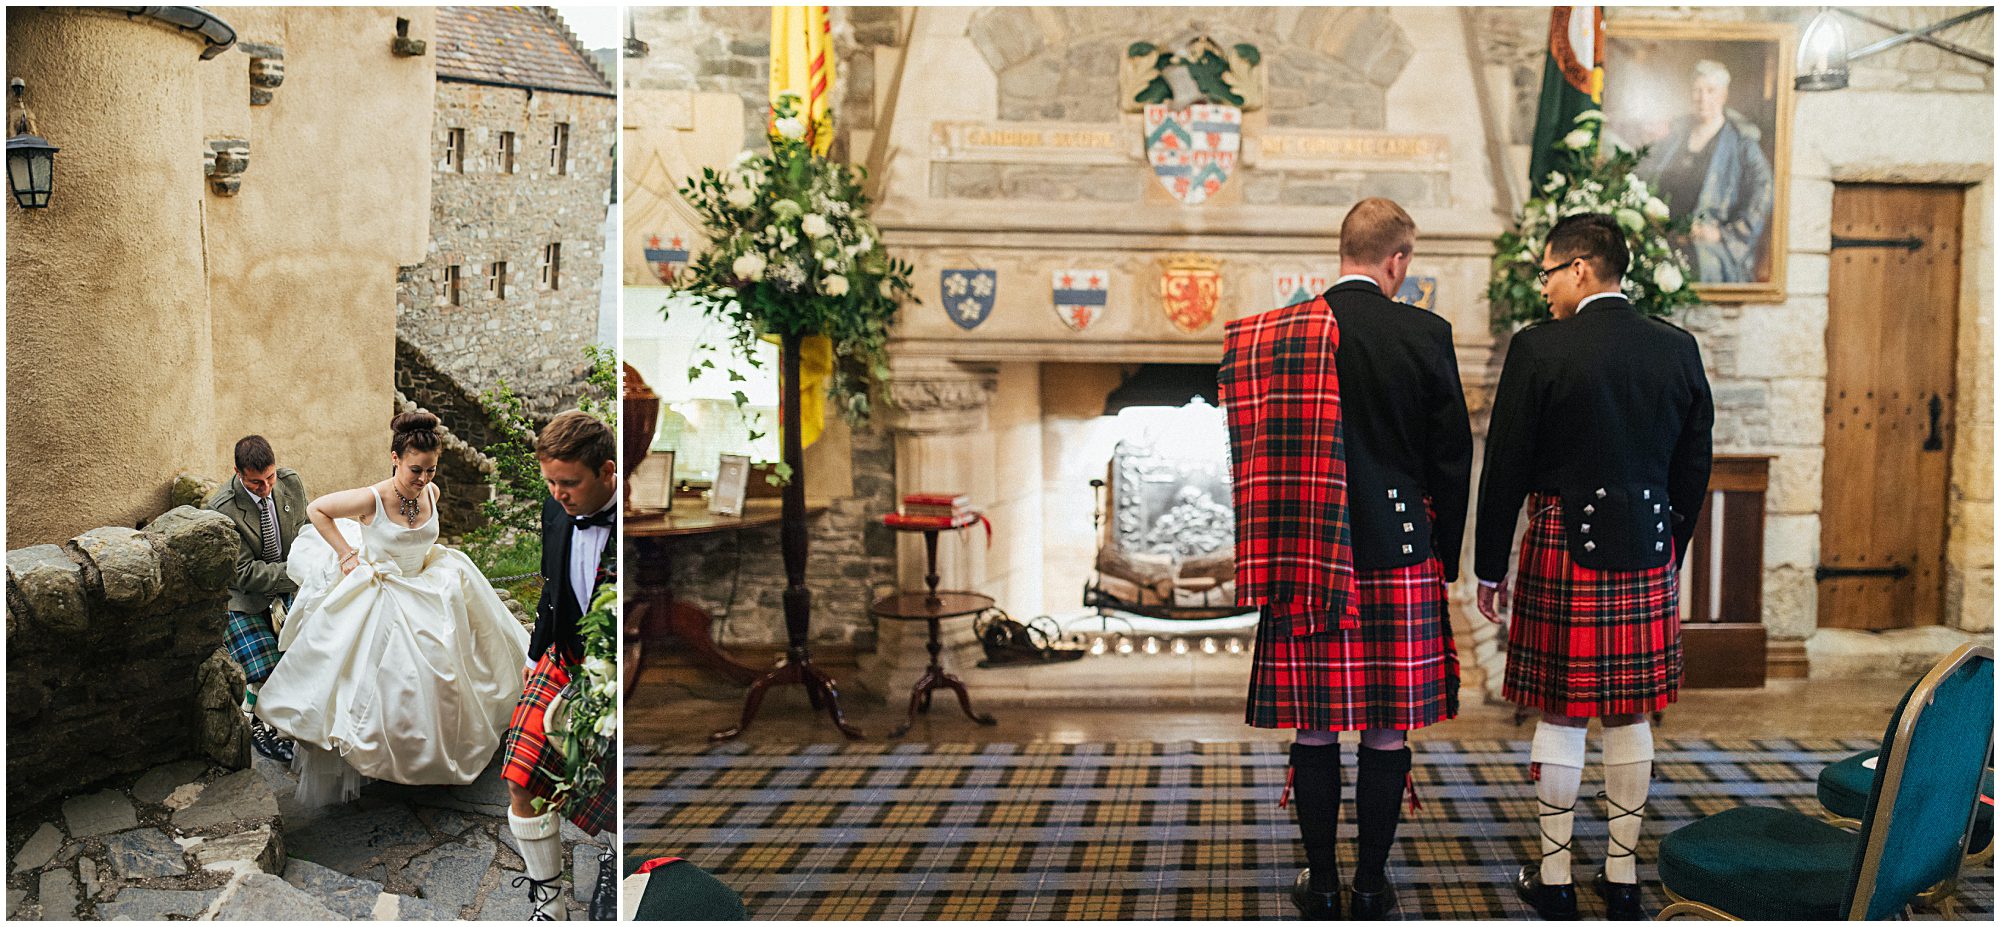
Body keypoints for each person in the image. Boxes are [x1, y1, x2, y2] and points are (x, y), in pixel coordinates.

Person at [1221, 198, 1473, 919]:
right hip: (1396, 556)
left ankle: (1322, 880)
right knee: (1387, 725)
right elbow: (1451, 460)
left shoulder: (1278, 335)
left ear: (1343, 252)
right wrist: (1441, 555)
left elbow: (1256, 454)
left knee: (1315, 724)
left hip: (1306, 553)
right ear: (1397, 260)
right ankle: (1370, 882)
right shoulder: (1425, 332)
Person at [1475, 213, 1714, 920]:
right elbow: (1693, 461)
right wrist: (1672, 542)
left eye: (1548, 273)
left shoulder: (1539, 349)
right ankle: (1621, 876)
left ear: (1580, 268)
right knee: (1630, 709)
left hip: (1561, 544)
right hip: (1645, 549)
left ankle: (1553, 878)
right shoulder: (1676, 347)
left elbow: (1507, 465)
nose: (1544, 288)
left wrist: (1490, 564)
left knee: (1562, 709)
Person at [256, 411, 529, 809]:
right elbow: (318, 510)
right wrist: (347, 554)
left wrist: (426, 495)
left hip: (431, 584)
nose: (423, 480)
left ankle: (440, 754)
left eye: (431, 470)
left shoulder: (432, 494)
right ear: (395, 458)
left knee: (453, 672)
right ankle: (389, 759)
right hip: (384, 588)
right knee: (393, 680)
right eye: (415, 470)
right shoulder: (373, 498)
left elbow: (423, 535)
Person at [499, 409, 619, 921]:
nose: (557, 494)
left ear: (608, 472)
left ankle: (619, 854)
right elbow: (552, 590)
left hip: (614, 676)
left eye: (568, 483)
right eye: (549, 481)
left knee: (614, 784)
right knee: (520, 777)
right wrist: (534, 653)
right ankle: (549, 901)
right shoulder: (555, 510)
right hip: (564, 658)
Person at [205, 435, 309, 763]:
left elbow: (305, 528)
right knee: (267, 670)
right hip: (244, 598)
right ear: (237, 472)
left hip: (289, 585)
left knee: (317, 643)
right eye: (255, 482)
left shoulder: (291, 483)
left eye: (269, 478)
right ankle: (259, 726)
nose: (265, 488)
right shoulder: (222, 510)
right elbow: (245, 574)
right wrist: (298, 570)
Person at [1635, 59, 1775, 283]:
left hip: (1711, 248)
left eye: (1710, 91)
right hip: (1666, 237)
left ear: (1723, 95)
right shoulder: (1676, 135)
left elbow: (1764, 188)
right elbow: (1646, 174)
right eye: (1697, 90)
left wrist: (1725, 234)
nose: (1703, 98)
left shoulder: (1741, 141)